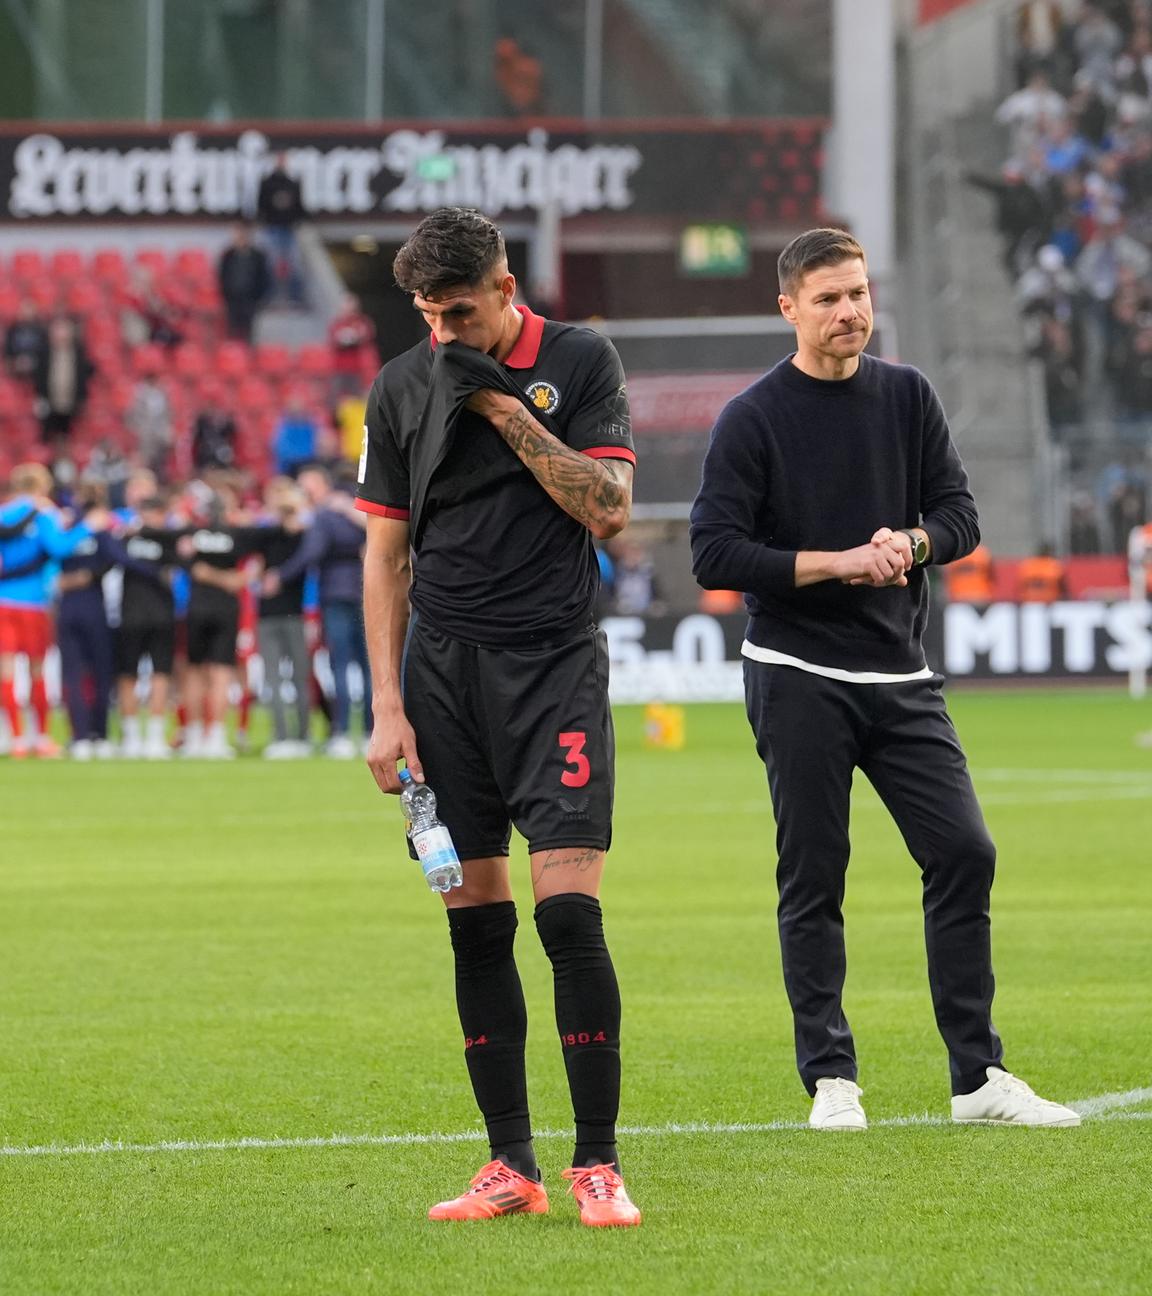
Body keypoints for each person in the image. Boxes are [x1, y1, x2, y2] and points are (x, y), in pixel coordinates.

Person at [690, 227, 1080, 1132]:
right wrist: (839, 563)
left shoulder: (908, 396)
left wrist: (912, 543)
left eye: (859, 293)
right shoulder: (753, 417)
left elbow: (960, 516)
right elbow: (715, 552)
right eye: (828, 298)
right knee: (816, 874)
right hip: (795, 672)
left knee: (964, 852)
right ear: (788, 307)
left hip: (901, 674)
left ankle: (978, 1078)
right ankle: (832, 1078)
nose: (850, 311)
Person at [357, 207, 642, 1225]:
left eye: (460, 312)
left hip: (554, 666)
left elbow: (608, 508)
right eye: (429, 316)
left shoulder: (579, 359)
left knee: (568, 915)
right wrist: (387, 706)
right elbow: (385, 554)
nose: (443, 335)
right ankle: (509, 1168)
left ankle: (597, 1166)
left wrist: (504, 408)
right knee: (476, 926)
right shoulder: (397, 389)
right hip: (440, 680)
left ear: (505, 283)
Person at [0, 463, 108, 758]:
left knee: (6, 672)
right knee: (37, 671)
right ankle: (41, 737)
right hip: (34, 603)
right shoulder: (45, 513)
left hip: (3, 602)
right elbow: (59, 548)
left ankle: (16, 739)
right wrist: (88, 526)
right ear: (43, 485)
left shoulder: (4, 513)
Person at [263, 464, 369, 759]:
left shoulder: (326, 516)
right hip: (368, 593)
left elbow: (312, 553)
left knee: (340, 663)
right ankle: (372, 730)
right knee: (369, 665)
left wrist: (280, 576)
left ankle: (343, 731)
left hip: (335, 594)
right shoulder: (364, 510)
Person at [256, 153, 306, 305]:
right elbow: (261, 205)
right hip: (272, 228)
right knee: (271, 264)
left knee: (294, 264)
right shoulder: (268, 183)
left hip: (289, 229)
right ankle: (270, 296)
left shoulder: (292, 183)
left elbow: (299, 206)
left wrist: (299, 220)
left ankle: (295, 297)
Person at [217, 223, 272, 342]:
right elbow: (222, 276)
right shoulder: (228, 255)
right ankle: (233, 354)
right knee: (232, 330)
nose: (240, 237)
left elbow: (264, 277)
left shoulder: (258, 256)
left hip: (251, 299)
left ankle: (246, 356)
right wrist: (226, 294)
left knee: (249, 331)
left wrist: (259, 296)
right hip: (232, 299)